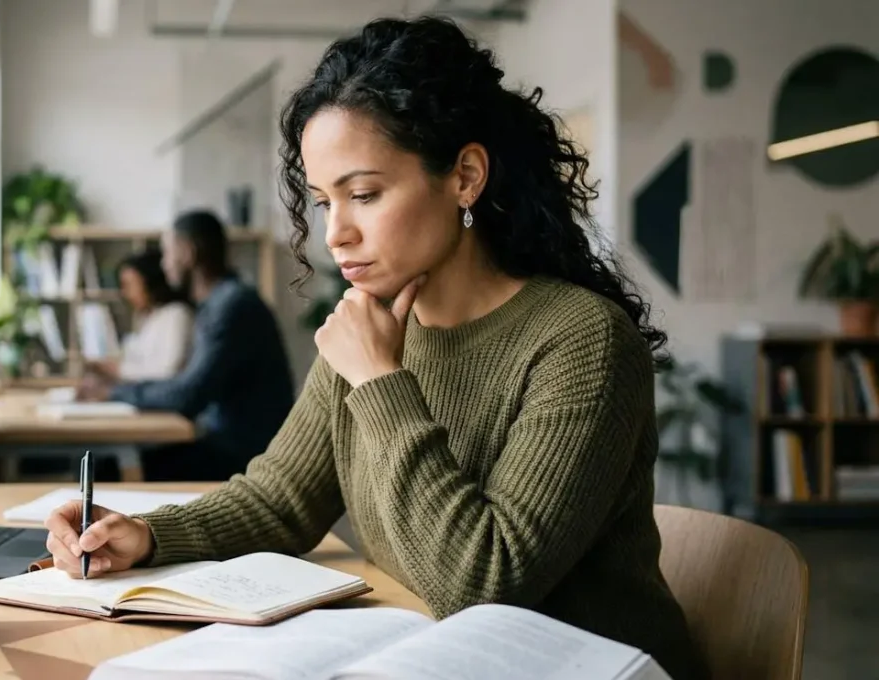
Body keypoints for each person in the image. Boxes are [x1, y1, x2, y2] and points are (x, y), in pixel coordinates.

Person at [48, 16, 705, 680]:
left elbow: (484, 585)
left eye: (363, 194)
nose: (336, 234)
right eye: (324, 201)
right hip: (429, 654)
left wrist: (381, 381)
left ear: (465, 177)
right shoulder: (370, 328)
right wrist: (150, 536)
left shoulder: (581, 342)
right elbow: (280, 498)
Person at [78, 209, 295, 481]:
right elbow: (184, 385)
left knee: (108, 468)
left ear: (188, 253)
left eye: (168, 253)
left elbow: (188, 395)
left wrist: (113, 393)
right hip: (226, 444)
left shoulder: (232, 307)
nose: (164, 264)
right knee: (108, 462)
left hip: (243, 456)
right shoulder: (219, 304)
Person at [85, 249, 193, 382]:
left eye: (130, 285)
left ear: (150, 283)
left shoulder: (177, 315)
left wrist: (118, 370)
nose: (125, 293)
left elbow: (168, 371)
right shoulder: (146, 317)